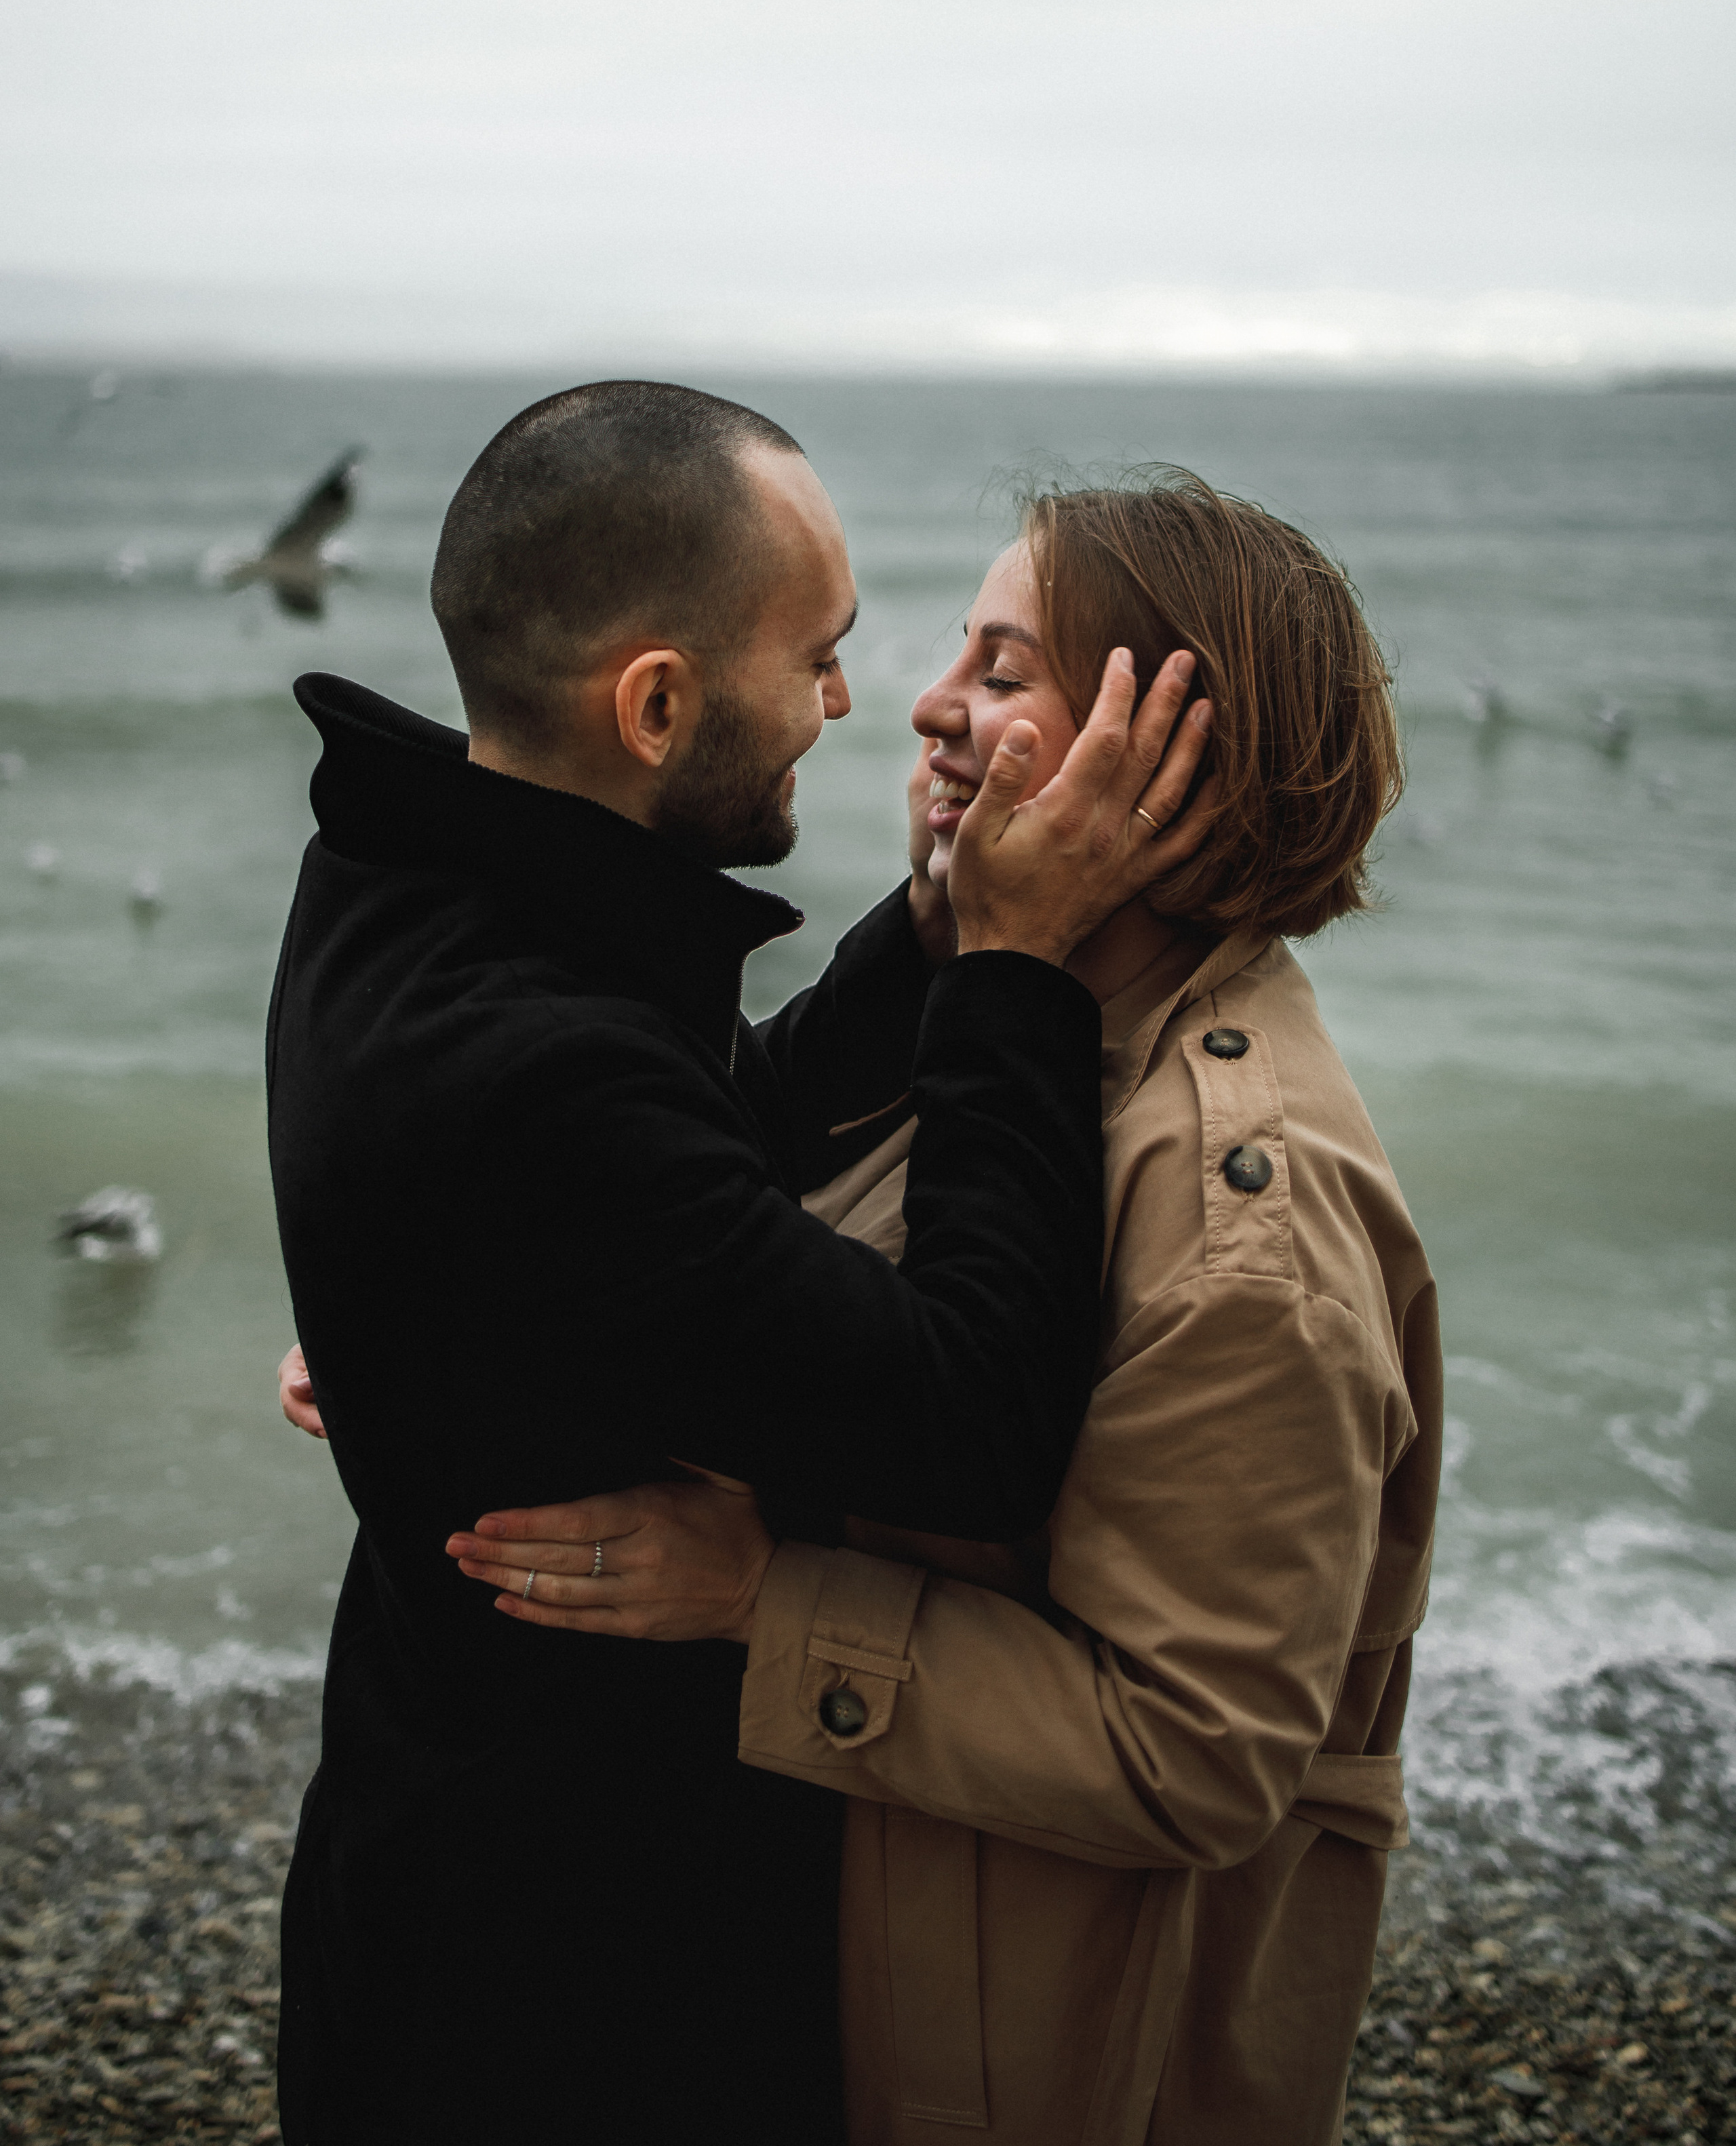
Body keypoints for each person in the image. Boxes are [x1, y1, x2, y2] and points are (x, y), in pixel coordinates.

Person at [441, 468, 1442, 2146]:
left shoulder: (1236, 1220)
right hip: (879, 1955)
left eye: (998, 669)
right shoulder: (1021, 1014)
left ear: (1173, 759)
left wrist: (765, 1598)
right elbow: (768, 1268)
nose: (918, 704)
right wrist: (499, 1333)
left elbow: (1193, 1752)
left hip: (1031, 2040)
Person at [265, 382, 1217, 2146]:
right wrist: (1018, 970)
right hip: (566, 1987)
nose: (868, 703)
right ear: (656, 704)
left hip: (424, 1841)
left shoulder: (403, 873)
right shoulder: (539, 1083)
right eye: (823, 654)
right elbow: (974, 1412)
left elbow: (691, 1135)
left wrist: (928, 931)